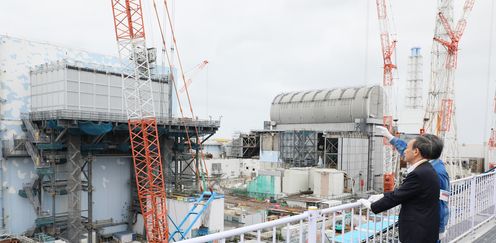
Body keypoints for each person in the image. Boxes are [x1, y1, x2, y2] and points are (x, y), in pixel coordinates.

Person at [359, 135, 440, 243]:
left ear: (416, 152)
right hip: (425, 229)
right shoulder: (427, 169)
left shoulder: (419, 174)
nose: (404, 151)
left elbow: (397, 197)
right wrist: (382, 195)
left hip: (417, 233)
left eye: (407, 148)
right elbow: (405, 192)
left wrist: (372, 206)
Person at [376, 126, 450, 239]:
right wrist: (391, 137)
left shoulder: (437, 173)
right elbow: (406, 150)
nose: (405, 151)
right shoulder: (428, 163)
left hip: (425, 229)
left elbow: (442, 202)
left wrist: (440, 227)